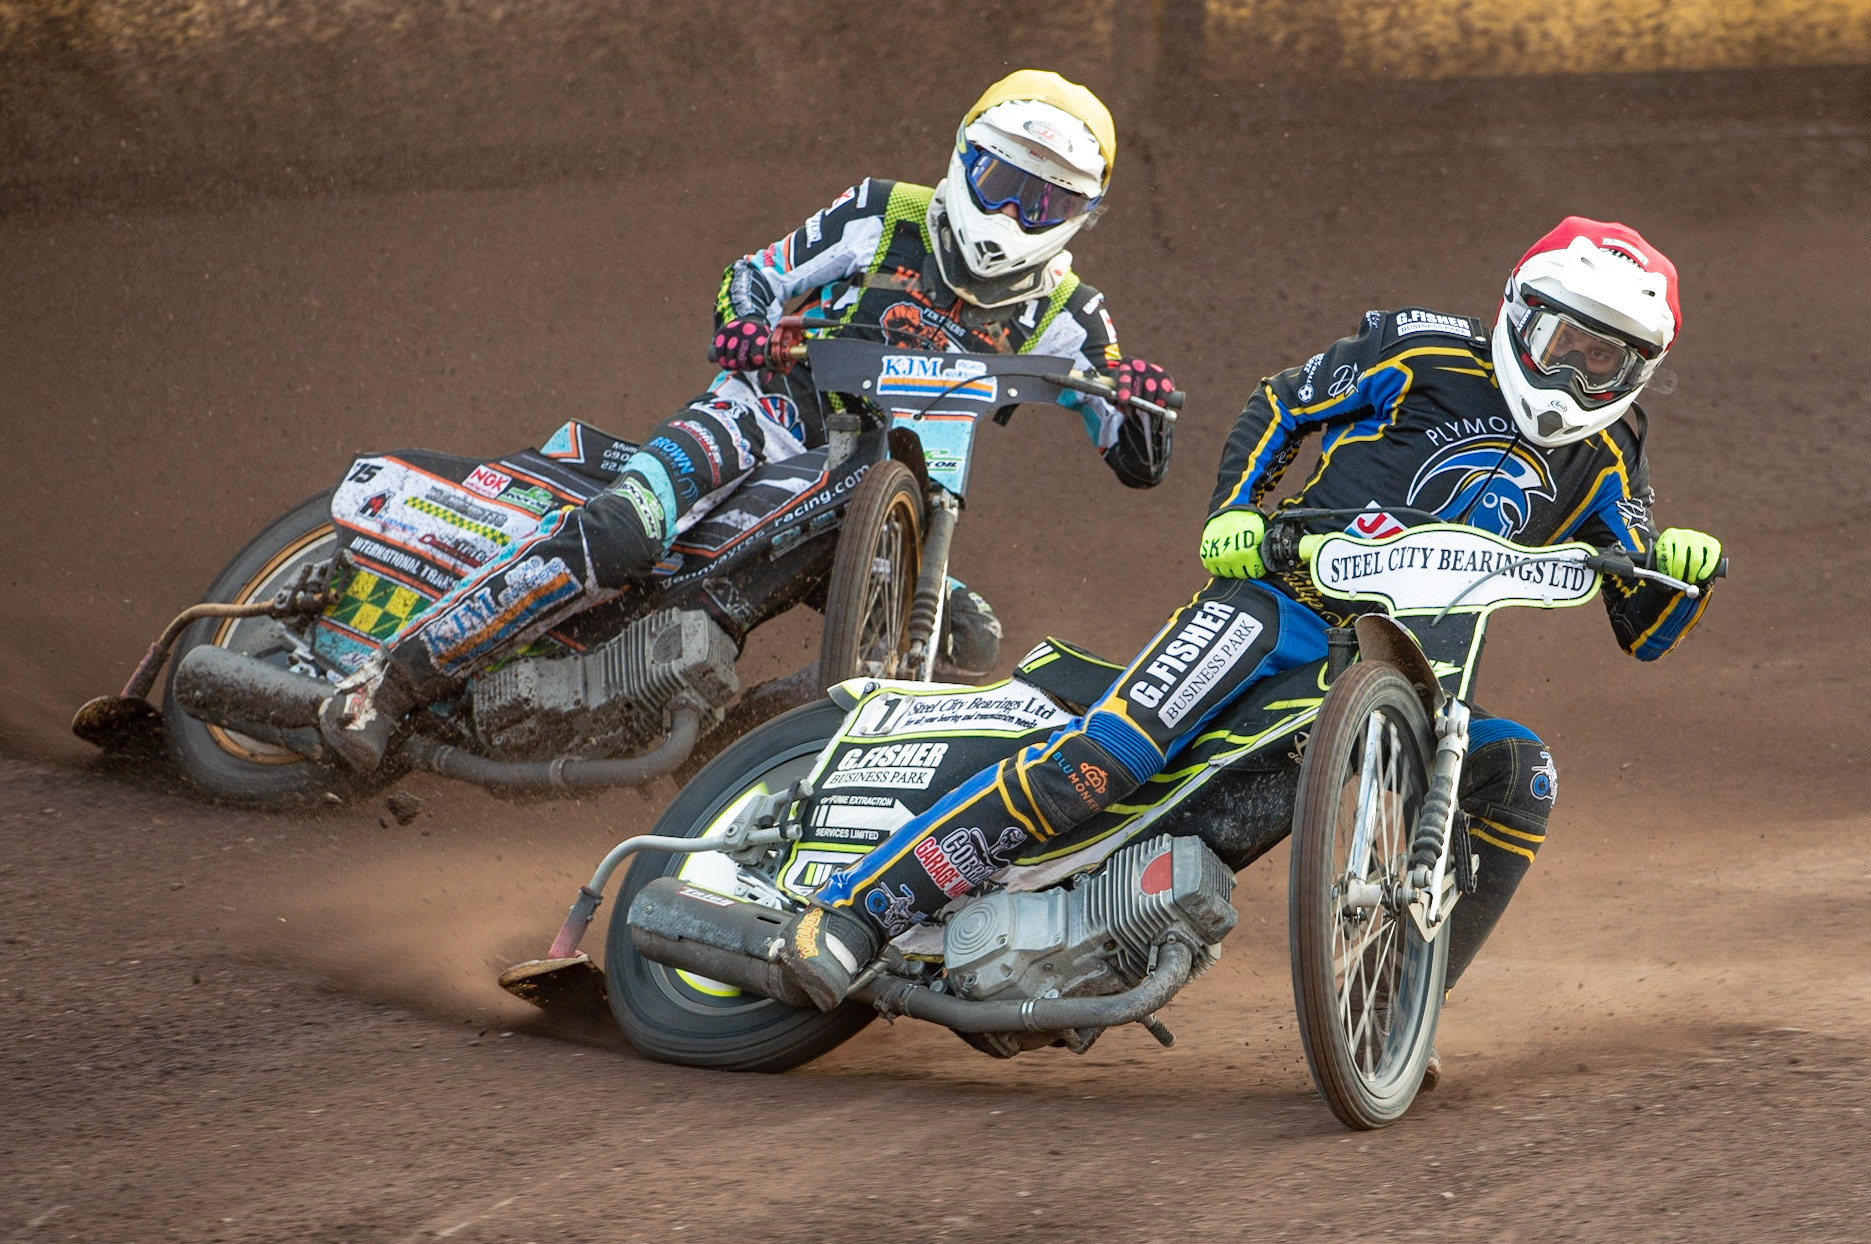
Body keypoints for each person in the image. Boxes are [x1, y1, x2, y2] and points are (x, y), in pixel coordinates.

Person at [778, 219, 1725, 1050]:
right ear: (1518, 315)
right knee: (1101, 761)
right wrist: (1237, 511)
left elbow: (1639, 624)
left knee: (1523, 775)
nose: (1574, 374)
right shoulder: (1423, 349)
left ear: (1638, 371)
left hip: (1419, 675)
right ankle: (858, 915)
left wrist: (1682, 575)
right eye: (1563, 342)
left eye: (1604, 361)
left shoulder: (1610, 453)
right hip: (1278, 607)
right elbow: (1280, 403)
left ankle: (1395, 1014)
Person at [317, 70, 1177, 772]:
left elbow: (1134, 456)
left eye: (1044, 202)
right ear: (964, 160)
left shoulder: (1072, 312)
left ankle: (723, 762)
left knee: (968, 635)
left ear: (1078, 217)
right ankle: (389, 683)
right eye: (1003, 183)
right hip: (762, 416)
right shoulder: (885, 213)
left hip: (876, 497)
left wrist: (1137, 401)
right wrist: (751, 330)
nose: (1014, 215)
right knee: (624, 531)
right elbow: (757, 275)